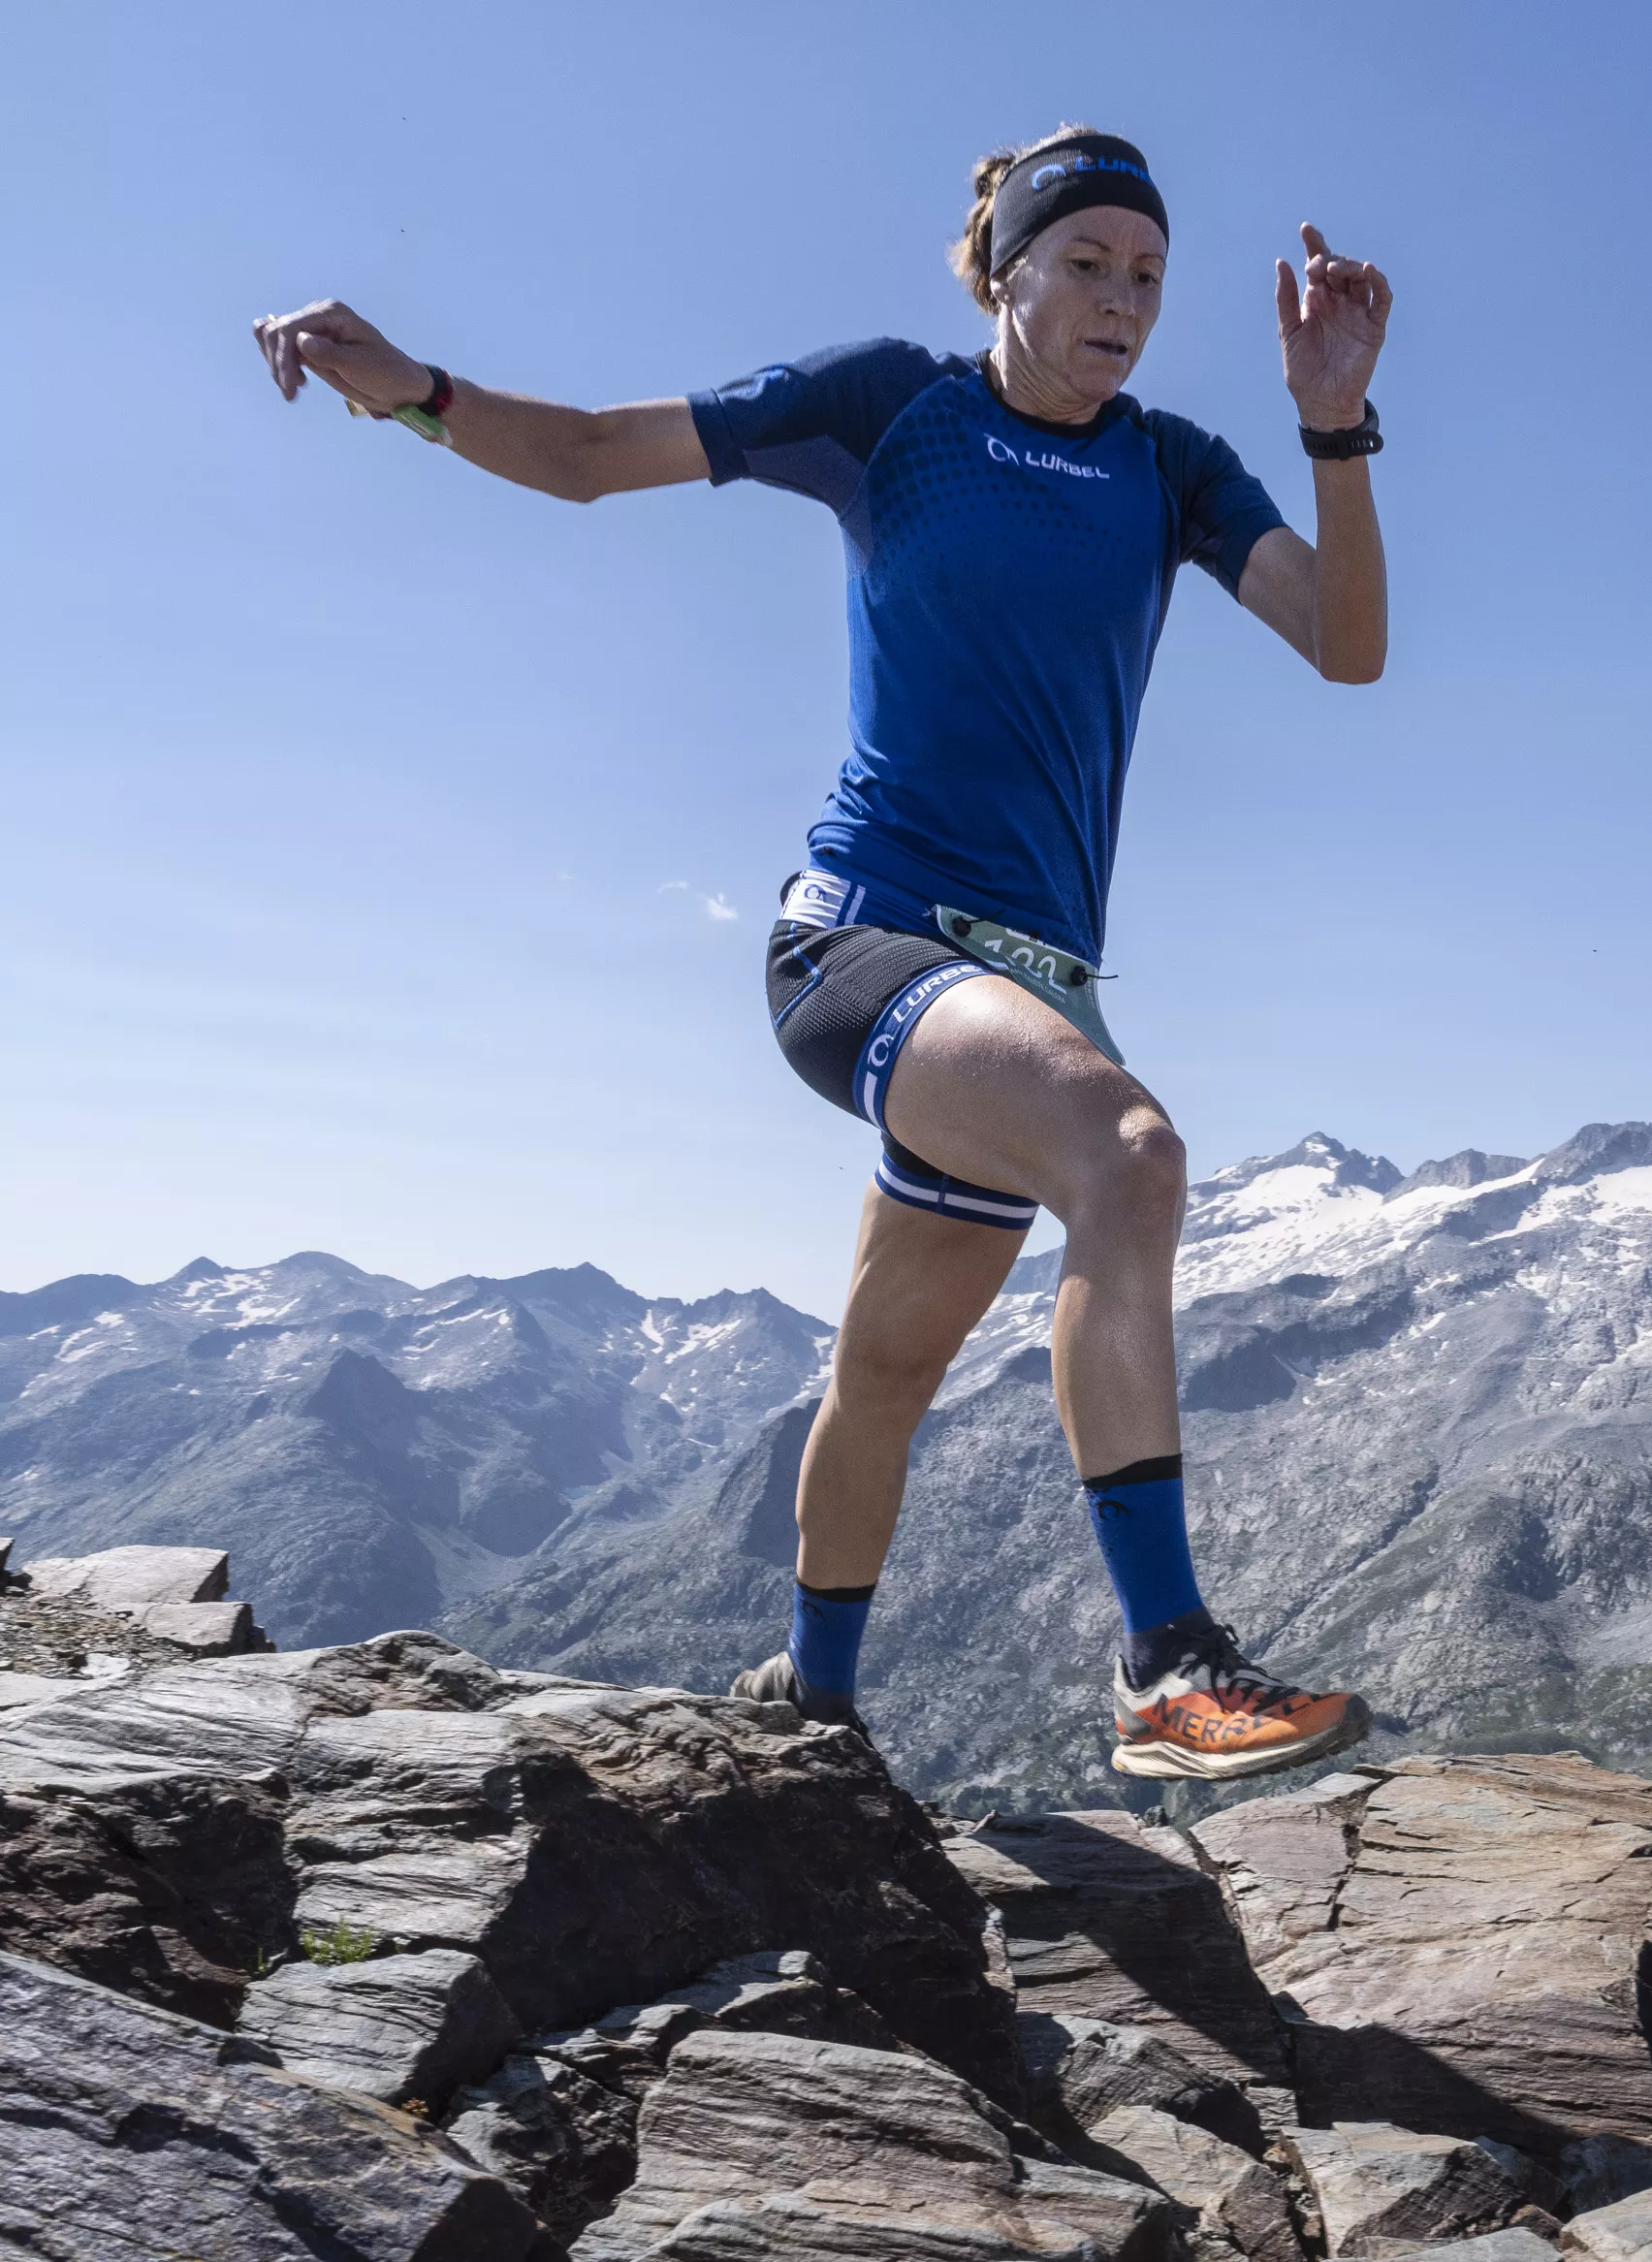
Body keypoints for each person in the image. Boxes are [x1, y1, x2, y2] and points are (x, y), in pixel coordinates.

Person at [249, 127, 1390, 1783]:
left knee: (882, 1371)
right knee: (1126, 1153)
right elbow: (583, 452)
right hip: (862, 938)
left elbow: (1347, 649)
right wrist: (414, 387)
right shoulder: (891, 409)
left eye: (1147, 276)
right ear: (1003, 269)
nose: (1122, 302)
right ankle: (1168, 1664)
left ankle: (808, 1699)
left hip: (1026, 990)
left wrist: (1333, 419)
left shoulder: (1175, 469)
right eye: (1085, 263)